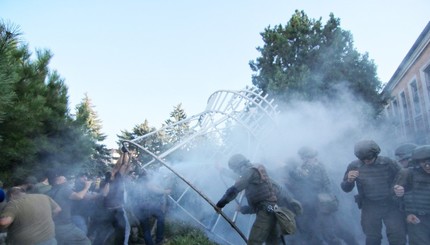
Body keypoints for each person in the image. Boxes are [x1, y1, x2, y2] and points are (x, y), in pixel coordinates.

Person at [286, 146, 358, 245]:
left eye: (305, 158)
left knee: (331, 232)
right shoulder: (309, 167)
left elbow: (311, 182)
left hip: (323, 205)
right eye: (303, 158)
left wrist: (294, 172)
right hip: (316, 205)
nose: (304, 160)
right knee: (327, 231)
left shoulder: (317, 167)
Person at [340, 139, 406, 245]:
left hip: (391, 205)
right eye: (363, 159)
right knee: (372, 237)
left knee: (396, 236)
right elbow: (345, 188)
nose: (366, 161)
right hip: (370, 206)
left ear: (375, 153)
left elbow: (404, 177)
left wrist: (400, 188)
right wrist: (349, 180)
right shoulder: (354, 166)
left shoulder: (388, 163)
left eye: (369, 158)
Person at [215, 153, 282, 245]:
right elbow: (261, 201)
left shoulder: (249, 172)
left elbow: (234, 190)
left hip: (267, 211)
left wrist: (219, 205)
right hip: (272, 209)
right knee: (273, 242)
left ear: (239, 166)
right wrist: (222, 170)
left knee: (254, 242)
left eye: (236, 170)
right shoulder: (255, 170)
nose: (236, 172)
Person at [94, 148, 133, 245]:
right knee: (101, 234)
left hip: (118, 210)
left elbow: (123, 165)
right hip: (107, 211)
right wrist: (108, 182)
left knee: (122, 232)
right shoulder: (104, 183)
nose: (114, 171)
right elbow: (104, 194)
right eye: (112, 172)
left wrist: (125, 154)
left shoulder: (118, 178)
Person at [393, 145, 430, 245]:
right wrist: (408, 214)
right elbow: (395, 199)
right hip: (419, 220)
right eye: (423, 162)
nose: (427, 165)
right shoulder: (408, 173)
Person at [46, 169, 92, 245]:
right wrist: (87, 187)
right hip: (65, 226)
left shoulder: (48, 192)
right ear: (57, 181)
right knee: (85, 242)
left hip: (54, 226)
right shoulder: (63, 189)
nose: (65, 178)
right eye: (62, 177)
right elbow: (79, 196)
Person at [136, 169, 171, 245]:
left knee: (146, 230)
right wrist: (165, 191)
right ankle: (159, 240)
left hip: (140, 208)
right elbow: (154, 189)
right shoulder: (145, 180)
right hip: (149, 206)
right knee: (161, 217)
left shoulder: (137, 182)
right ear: (145, 174)